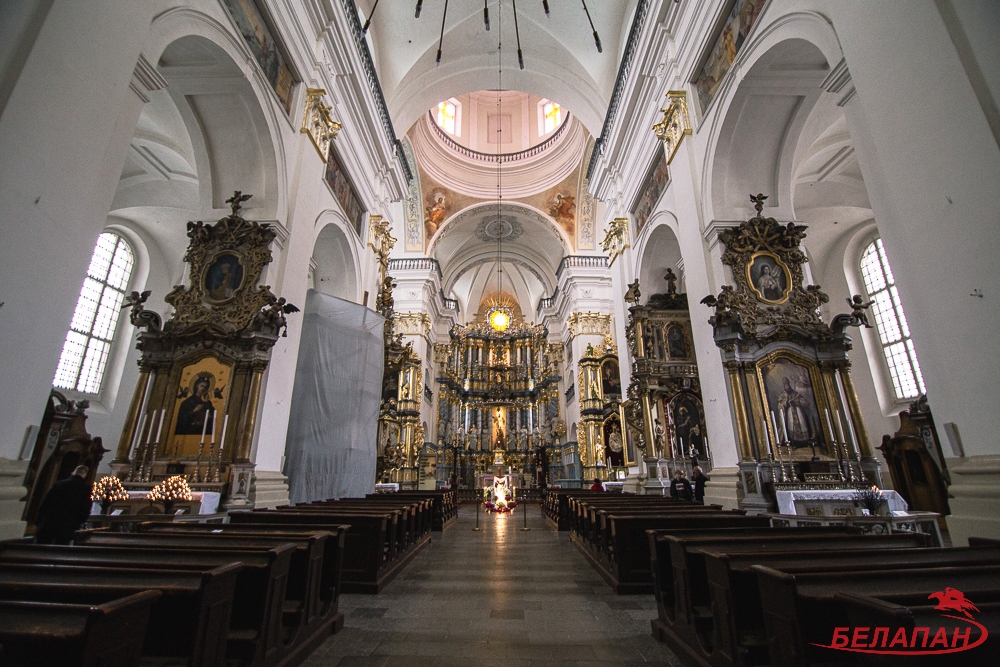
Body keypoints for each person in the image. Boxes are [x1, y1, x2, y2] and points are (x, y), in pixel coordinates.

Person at [35, 465, 93, 545]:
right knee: (60, 549)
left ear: (72, 473)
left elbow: (46, 502)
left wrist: (39, 519)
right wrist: (81, 521)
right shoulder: (86, 489)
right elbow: (85, 507)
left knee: (42, 547)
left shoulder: (58, 484)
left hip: (49, 521)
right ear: (85, 475)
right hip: (68, 524)